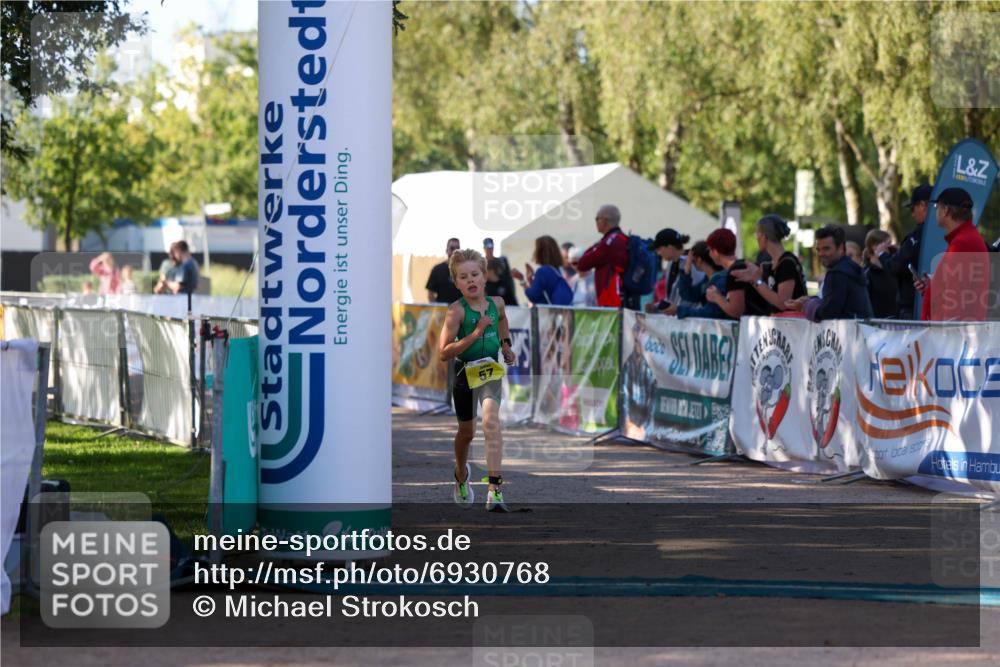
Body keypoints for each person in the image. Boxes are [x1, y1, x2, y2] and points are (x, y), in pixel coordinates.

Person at [438, 249, 516, 512]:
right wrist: (476, 333)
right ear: (456, 282)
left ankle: (495, 490)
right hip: (464, 372)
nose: (470, 280)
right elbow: (443, 353)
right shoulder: (456, 312)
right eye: (463, 276)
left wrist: (505, 345)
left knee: (491, 423)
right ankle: (461, 474)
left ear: (484, 277)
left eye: (475, 274)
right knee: (467, 433)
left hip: (490, 371)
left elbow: (503, 321)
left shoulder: (498, 304)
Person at [914, 187, 990, 322]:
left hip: (952, 336)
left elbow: (956, 300)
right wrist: (931, 288)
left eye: (937, 206)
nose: (935, 211)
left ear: (946, 210)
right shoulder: (964, 238)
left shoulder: (963, 243)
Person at [785, 225, 873, 321]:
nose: (821, 254)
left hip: (852, 333)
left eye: (826, 249)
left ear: (841, 248)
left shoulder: (838, 272)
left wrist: (805, 306)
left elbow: (828, 313)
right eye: (818, 249)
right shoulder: (849, 267)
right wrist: (809, 300)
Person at [730, 214, 808, 315]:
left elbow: (783, 303)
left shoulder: (787, 263)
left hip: (793, 326)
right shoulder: (771, 265)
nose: (756, 237)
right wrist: (754, 281)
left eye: (757, 233)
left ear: (764, 236)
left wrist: (757, 281)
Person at [878, 183, 932, 319]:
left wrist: (881, 254)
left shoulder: (917, 235)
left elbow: (895, 266)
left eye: (913, 208)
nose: (912, 214)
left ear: (923, 205)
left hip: (913, 307)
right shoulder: (942, 233)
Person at [576, 204, 629, 308]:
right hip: (622, 298)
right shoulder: (623, 238)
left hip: (610, 301)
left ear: (605, 221)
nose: (596, 222)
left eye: (597, 218)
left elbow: (582, 264)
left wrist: (596, 245)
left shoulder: (608, 243)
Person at [660, 241, 728, 320]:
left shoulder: (719, 280)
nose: (691, 263)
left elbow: (711, 312)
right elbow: (688, 295)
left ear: (699, 259)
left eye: (692, 260)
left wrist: (678, 310)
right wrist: (686, 272)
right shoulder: (708, 280)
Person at [511, 236, 574, 306]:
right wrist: (531, 280)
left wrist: (521, 279)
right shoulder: (556, 269)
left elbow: (533, 295)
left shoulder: (543, 271)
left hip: (551, 314)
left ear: (540, 252)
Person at [651, 228, 692, 308]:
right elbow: (671, 298)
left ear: (669, 247)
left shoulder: (692, 262)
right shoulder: (670, 263)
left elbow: (692, 298)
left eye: (659, 249)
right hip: (675, 317)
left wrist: (679, 310)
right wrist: (656, 307)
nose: (658, 253)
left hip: (687, 318)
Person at [862, 229, 898, 319]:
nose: (891, 247)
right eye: (888, 244)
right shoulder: (867, 273)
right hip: (876, 324)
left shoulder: (892, 270)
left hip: (897, 321)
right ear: (875, 246)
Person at [426, 238, 463, 303]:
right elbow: (430, 293)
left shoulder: (466, 269)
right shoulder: (437, 269)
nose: (455, 251)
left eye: (457, 249)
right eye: (452, 248)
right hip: (443, 311)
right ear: (446, 250)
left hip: (462, 311)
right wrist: (437, 309)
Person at [483, 238, 518, 306]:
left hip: (502, 292)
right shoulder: (481, 262)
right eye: (488, 248)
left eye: (491, 248)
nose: (490, 250)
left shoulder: (501, 261)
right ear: (484, 248)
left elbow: (507, 278)